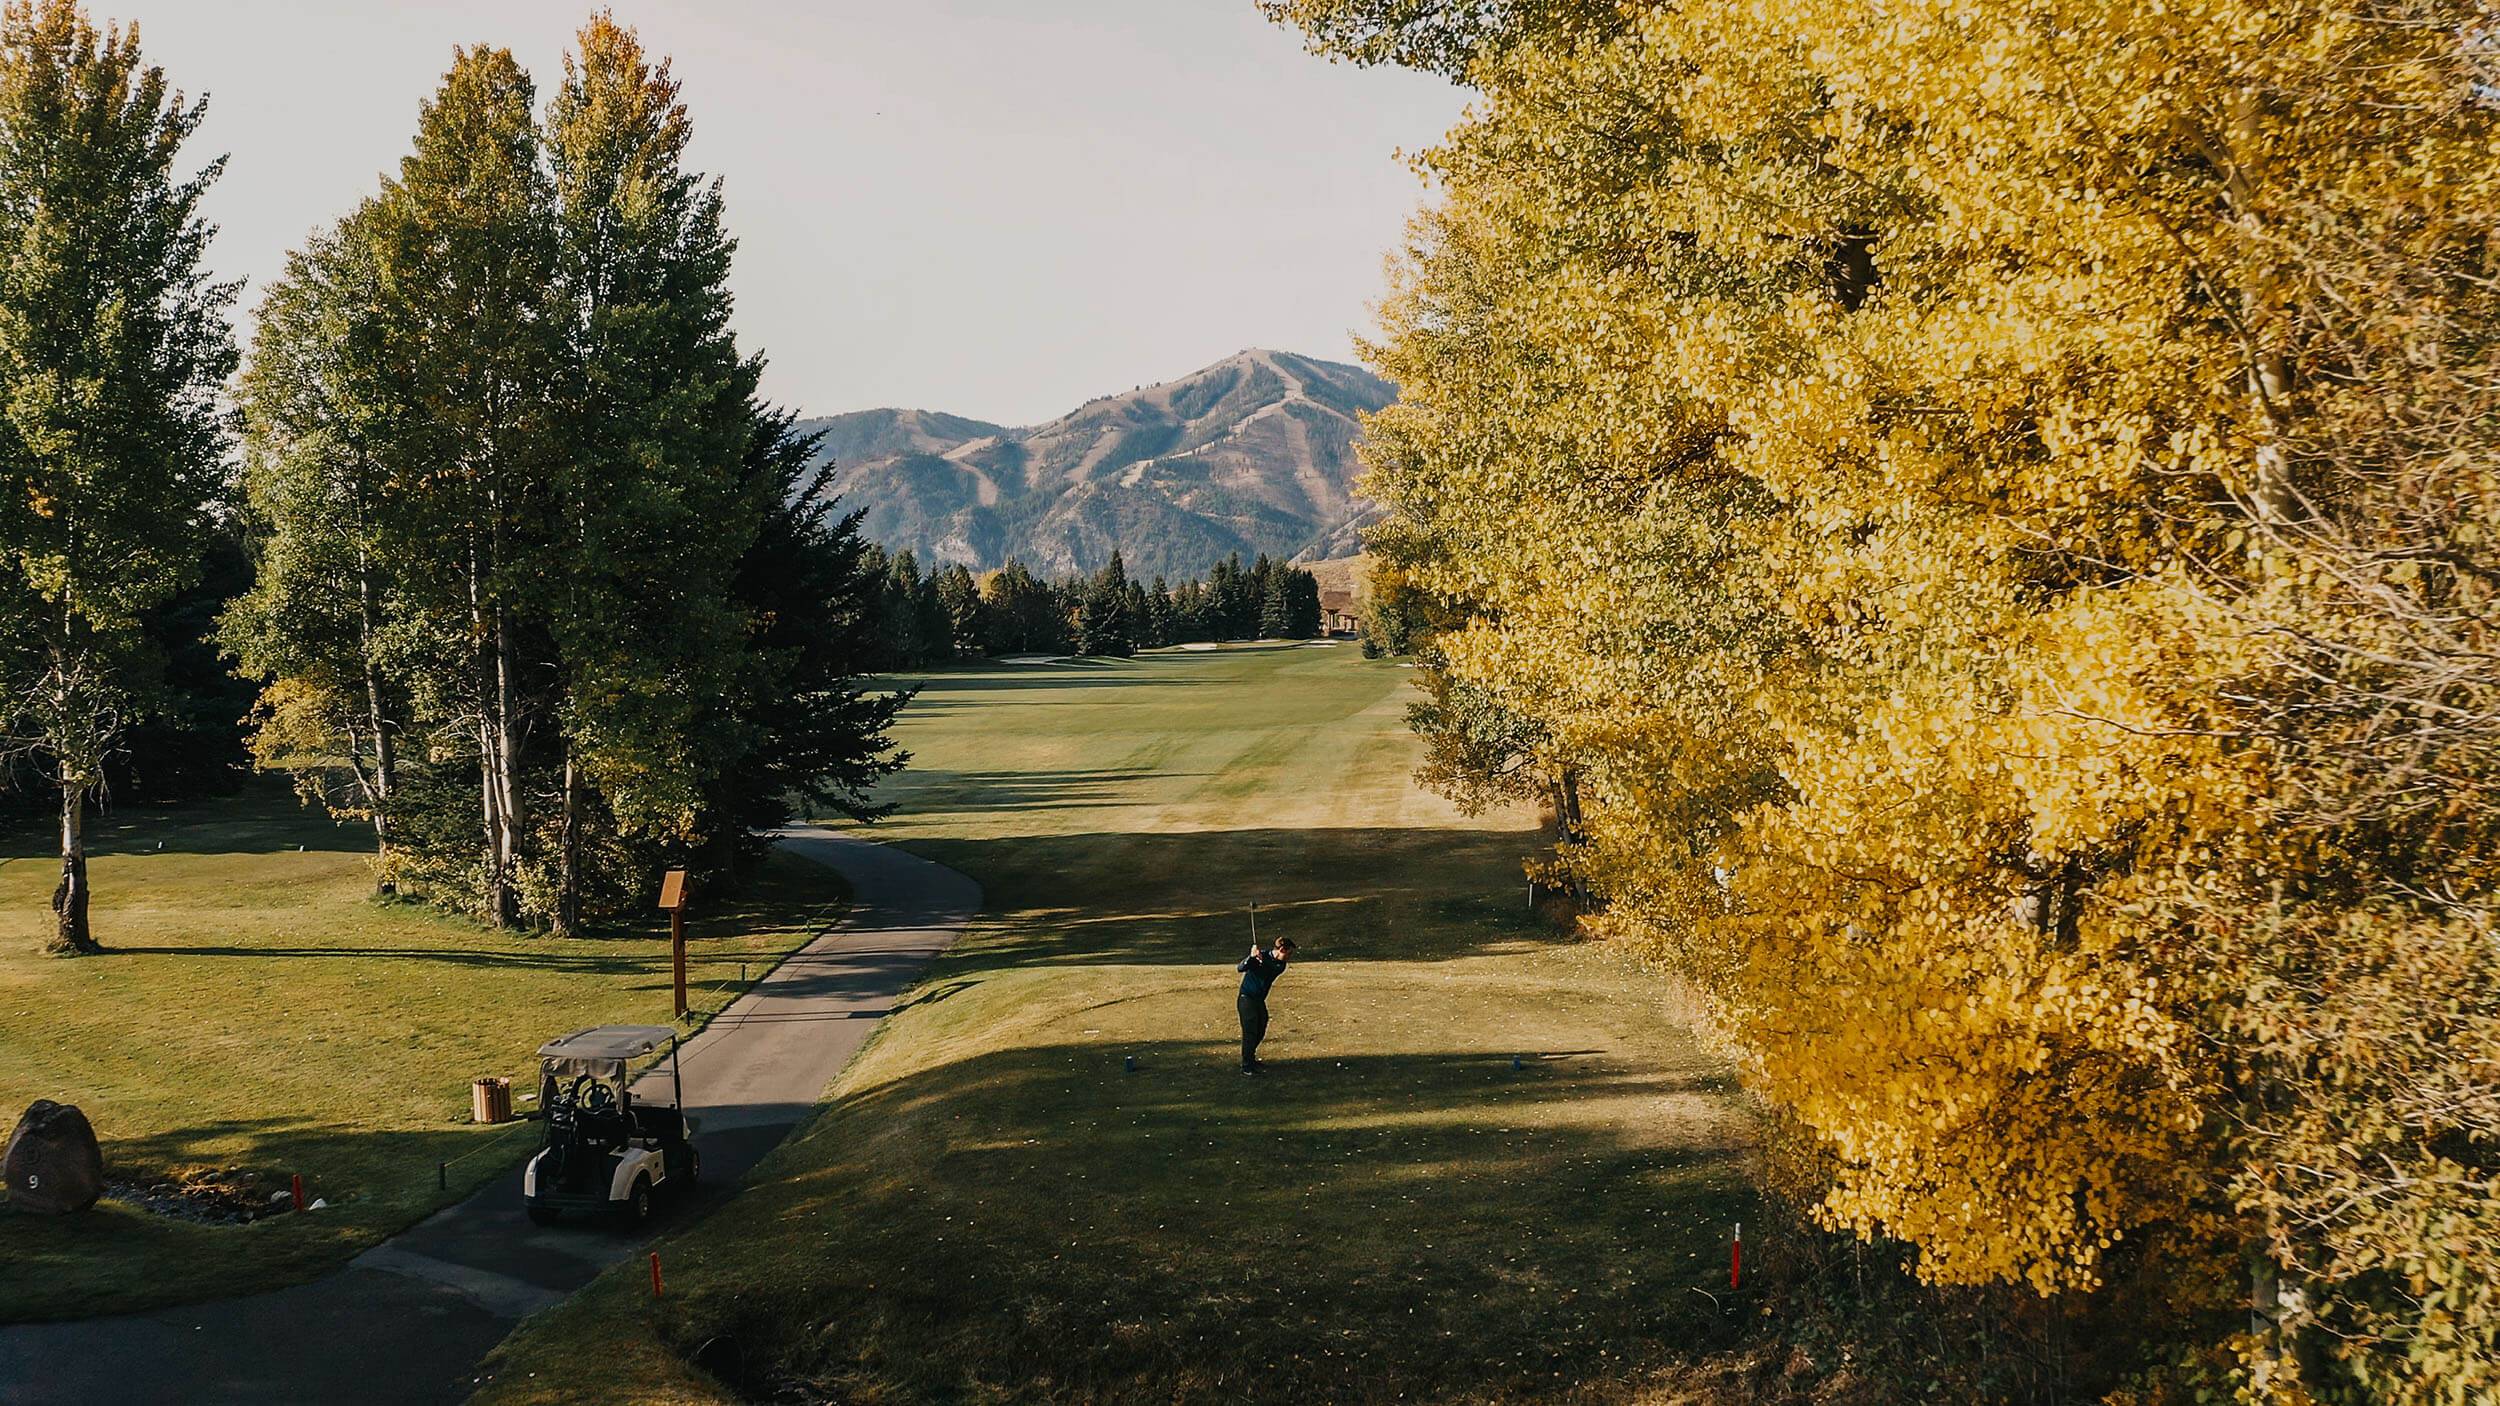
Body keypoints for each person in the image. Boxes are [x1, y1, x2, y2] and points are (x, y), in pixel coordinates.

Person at [1235, 936, 1296, 1074]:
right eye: (1289, 953)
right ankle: (1246, 1065)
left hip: (1258, 1001)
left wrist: (1261, 962)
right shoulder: (1259, 956)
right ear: (1281, 949)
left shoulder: (1281, 965)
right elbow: (1240, 968)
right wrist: (1251, 958)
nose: (1289, 957)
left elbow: (1271, 970)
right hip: (1247, 999)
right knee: (1250, 1032)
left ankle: (1251, 1058)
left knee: (1261, 1028)